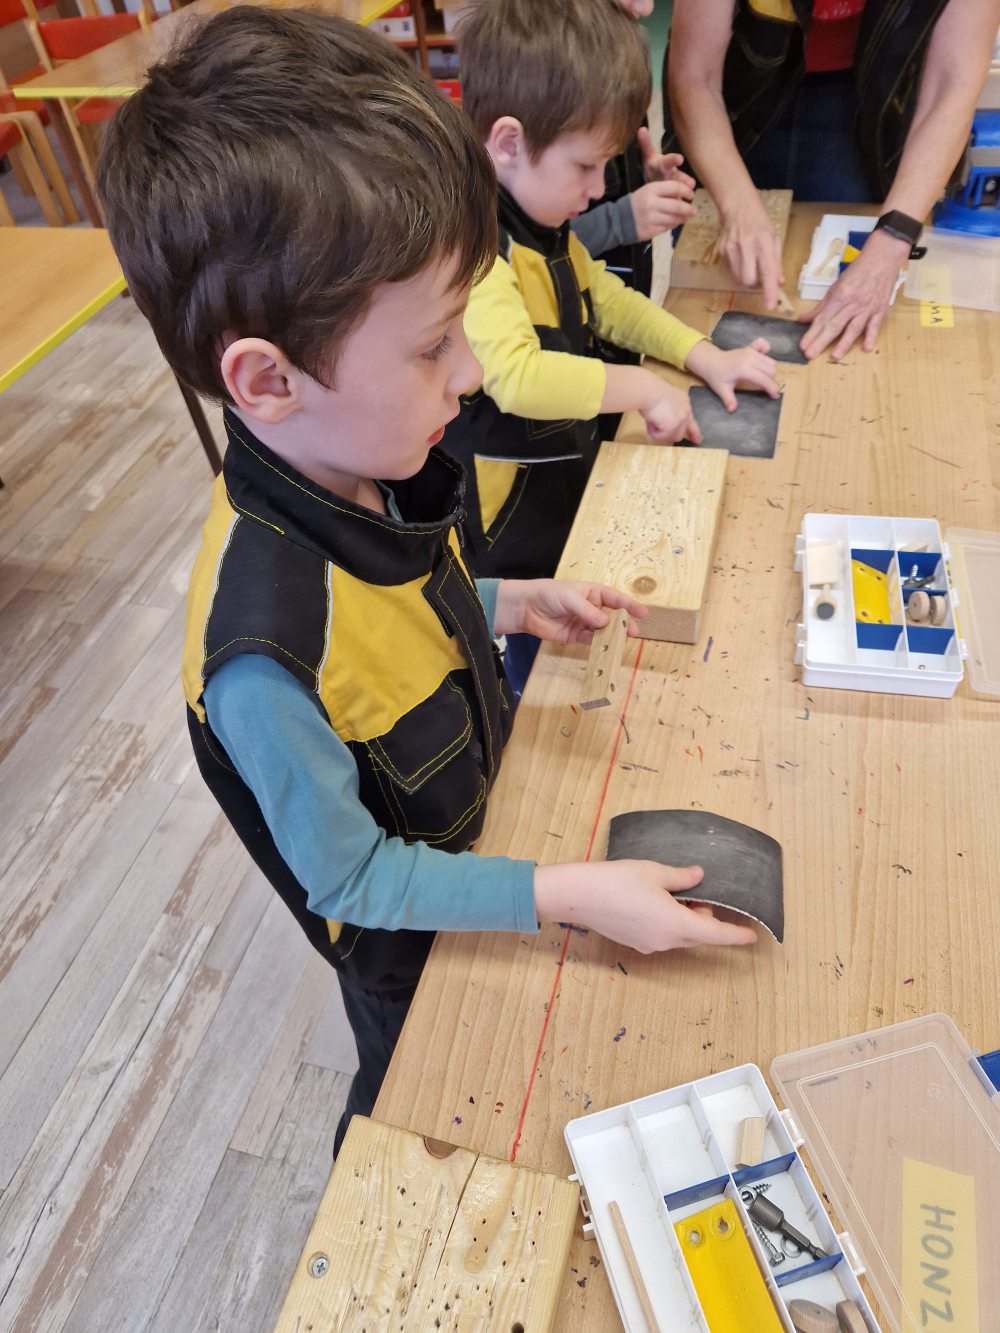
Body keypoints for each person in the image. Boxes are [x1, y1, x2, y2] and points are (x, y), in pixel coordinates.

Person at [95, 6, 757, 1156]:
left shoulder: (369, 455)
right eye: (432, 345)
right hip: (420, 950)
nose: (470, 372)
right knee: (427, 1111)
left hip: (489, 845)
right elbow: (354, 877)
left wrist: (508, 602)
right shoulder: (262, 661)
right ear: (268, 381)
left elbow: (406, 607)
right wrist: (561, 893)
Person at [446, 0, 778, 693]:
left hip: (564, 496)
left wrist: (701, 355)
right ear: (507, 143)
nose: (600, 189)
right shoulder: (474, 248)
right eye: (587, 166)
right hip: (512, 539)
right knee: (544, 677)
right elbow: (517, 377)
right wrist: (644, 387)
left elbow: (604, 297)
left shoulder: (538, 219)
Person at [663, 0, 1000, 360]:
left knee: (839, 300)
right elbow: (696, 76)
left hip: (864, 91)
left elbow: (951, 88)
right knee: (711, 290)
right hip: (732, 89)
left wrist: (892, 241)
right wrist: (738, 206)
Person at [571, 0, 698, 305]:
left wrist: (642, 179)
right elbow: (521, 250)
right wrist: (619, 222)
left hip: (620, 297)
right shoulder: (544, 87)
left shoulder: (613, 63)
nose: (646, 7)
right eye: (584, 166)